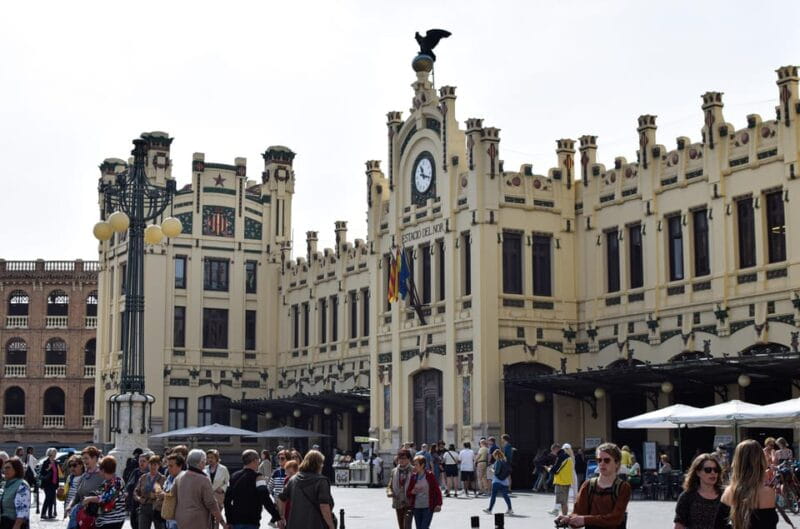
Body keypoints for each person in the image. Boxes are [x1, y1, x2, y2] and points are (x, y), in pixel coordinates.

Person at [556, 442, 631, 529]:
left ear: (617, 463)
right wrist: (568, 519)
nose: (602, 463)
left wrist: (585, 520)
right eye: (599, 460)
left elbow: (615, 519)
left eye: (606, 460)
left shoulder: (623, 487)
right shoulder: (588, 485)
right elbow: (578, 513)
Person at [717, 439, 778, 529]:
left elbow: (718, 525)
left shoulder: (730, 492)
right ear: (761, 462)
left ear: (737, 462)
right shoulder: (768, 493)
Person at [278, 450, 335, 529]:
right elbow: (324, 506)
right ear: (318, 464)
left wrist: (282, 516)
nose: (322, 466)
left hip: (294, 524)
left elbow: (281, 498)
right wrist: (331, 525)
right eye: (322, 463)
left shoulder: (293, 479)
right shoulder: (321, 481)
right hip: (316, 524)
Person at [224, 449, 281, 529]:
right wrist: (276, 516)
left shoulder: (233, 477)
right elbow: (265, 498)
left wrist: (229, 520)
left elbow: (227, 501)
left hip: (236, 520)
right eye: (259, 460)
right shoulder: (258, 477)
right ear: (255, 460)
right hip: (252, 520)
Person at [171, 449, 226, 529]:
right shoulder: (203, 479)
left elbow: (172, 495)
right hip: (198, 521)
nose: (205, 463)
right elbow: (211, 503)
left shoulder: (179, 476)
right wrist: (222, 522)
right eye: (204, 460)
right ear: (200, 462)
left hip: (181, 519)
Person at [673, 453, 723, 529]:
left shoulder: (725, 496)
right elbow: (679, 526)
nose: (713, 473)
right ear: (698, 472)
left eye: (716, 470)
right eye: (708, 470)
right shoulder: (687, 496)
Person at [81, 456, 127, 529]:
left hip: (113, 520)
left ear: (103, 470)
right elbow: (99, 494)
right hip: (103, 520)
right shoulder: (106, 482)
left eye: (99, 468)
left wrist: (89, 499)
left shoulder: (117, 481)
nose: (98, 470)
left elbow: (106, 498)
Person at [66, 446, 104, 526]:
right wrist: (70, 505)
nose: (84, 461)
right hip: (82, 516)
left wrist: (91, 499)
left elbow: (106, 496)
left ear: (94, 458)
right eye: (83, 459)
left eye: (86, 458)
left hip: (96, 518)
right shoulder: (84, 475)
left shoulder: (102, 475)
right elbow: (77, 495)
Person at [406, 455, 442, 529]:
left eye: (416, 465)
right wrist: (412, 492)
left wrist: (439, 504)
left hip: (428, 507)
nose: (414, 467)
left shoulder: (429, 475)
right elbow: (408, 492)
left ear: (422, 465)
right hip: (416, 507)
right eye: (414, 464)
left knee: (424, 527)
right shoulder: (413, 477)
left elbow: (437, 490)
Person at [135, 455, 166, 529]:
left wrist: (158, 495)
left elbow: (166, 493)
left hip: (157, 508)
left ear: (159, 465)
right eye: (151, 464)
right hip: (144, 507)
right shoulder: (143, 477)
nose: (153, 466)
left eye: (155, 464)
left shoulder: (163, 478)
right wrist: (139, 499)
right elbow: (135, 492)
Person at [0, 457, 31, 529]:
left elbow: (22, 511)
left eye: (8, 468)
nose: (5, 470)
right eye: (4, 468)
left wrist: (17, 526)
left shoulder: (22, 485)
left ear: (16, 469)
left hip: (14, 524)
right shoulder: (5, 485)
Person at [387, 450, 413, 529]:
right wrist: (389, 492)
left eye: (404, 458)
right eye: (399, 458)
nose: (401, 460)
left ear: (409, 459)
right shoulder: (394, 471)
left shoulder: (414, 470)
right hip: (398, 500)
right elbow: (390, 485)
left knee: (407, 525)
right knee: (401, 525)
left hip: (409, 501)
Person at [482, 449, 513, 516]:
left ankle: (489, 509)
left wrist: (492, 469)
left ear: (495, 455)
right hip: (505, 481)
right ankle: (510, 509)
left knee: (493, 495)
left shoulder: (498, 461)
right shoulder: (505, 461)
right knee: (505, 495)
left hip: (497, 481)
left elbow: (496, 472)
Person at [126, 451, 151, 529]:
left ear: (148, 462)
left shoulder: (150, 474)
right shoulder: (135, 471)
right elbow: (129, 484)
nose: (141, 463)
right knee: (133, 524)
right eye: (140, 461)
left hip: (143, 505)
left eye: (144, 461)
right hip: (133, 504)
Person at [204, 449, 229, 522]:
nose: (210, 459)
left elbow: (228, 482)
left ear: (216, 458)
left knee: (216, 518)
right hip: (207, 496)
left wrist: (223, 489)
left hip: (218, 496)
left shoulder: (223, 469)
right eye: (208, 457)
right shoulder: (204, 468)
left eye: (212, 457)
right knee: (207, 518)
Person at [549, 443, 573, 517]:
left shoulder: (561, 457)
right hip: (567, 481)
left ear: (556, 449)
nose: (552, 453)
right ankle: (564, 515)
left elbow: (555, 470)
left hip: (561, 481)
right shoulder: (568, 456)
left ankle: (562, 515)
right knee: (564, 501)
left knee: (562, 501)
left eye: (552, 451)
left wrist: (549, 469)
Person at [162, 453, 184, 529]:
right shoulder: (169, 478)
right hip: (169, 517)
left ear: (180, 466)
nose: (168, 468)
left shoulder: (184, 479)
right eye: (168, 466)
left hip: (179, 519)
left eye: (171, 466)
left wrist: (164, 495)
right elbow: (166, 491)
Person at [39, 447, 60, 519]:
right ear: (50, 453)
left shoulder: (55, 462)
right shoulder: (46, 462)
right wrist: (48, 468)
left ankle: (50, 514)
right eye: (54, 453)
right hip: (47, 483)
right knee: (48, 498)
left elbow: (56, 473)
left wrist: (57, 484)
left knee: (52, 499)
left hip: (54, 483)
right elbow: (42, 473)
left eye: (55, 452)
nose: (55, 454)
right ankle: (43, 514)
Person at [63, 456, 84, 524]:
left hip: (78, 508)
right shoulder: (70, 477)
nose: (72, 468)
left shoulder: (84, 477)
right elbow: (65, 494)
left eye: (74, 465)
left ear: (81, 465)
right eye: (70, 466)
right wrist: (60, 494)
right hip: (69, 507)